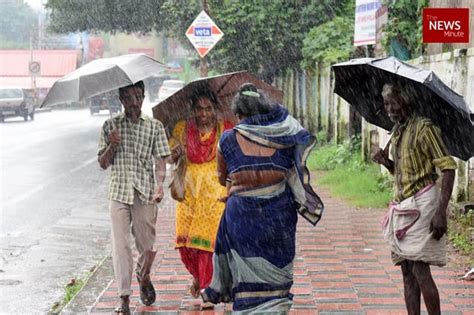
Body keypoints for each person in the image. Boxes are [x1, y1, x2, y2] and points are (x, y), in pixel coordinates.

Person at [201, 83, 323, 312]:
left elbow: (222, 177)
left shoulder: (227, 139)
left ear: (238, 114)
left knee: (246, 285)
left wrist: (241, 185)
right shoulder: (284, 138)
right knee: (277, 284)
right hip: (278, 220)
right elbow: (291, 171)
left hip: (242, 220)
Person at [372, 83, 456, 315]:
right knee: (407, 273)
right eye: (386, 103)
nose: (388, 109)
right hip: (403, 207)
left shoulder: (424, 128)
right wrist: (386, 162)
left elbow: (448, 169)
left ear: (406, 101)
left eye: (392, 103)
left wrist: (441, 212)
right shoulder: (398, 131)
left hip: (423, 204)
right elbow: (401, 172)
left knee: (419, 270)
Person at [97, 81, 171, 315]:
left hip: (144, 192)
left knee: (146, 244)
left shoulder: (154, 126)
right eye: (128, 97)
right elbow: (102, 163)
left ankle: (144, 275)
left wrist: (160, 186)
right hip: (119, 193)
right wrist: (112, 145)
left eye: (138, 96)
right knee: (121, 247)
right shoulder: (110, 126)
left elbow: (161, 160)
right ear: (121, 99)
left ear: (143, 97)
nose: (134, 102)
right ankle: (124, 298)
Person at [168, 92, 233, 307]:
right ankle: (197, 277)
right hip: (188, 192)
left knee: (205, 243)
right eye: (199, 108)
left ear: (215, 108)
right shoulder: (182, 128)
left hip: (214, 192)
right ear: (193, 109)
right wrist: (176, 153)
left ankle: (207, 289)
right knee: (184, 242)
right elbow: (168, 156)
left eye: (208, 108)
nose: (204, 113)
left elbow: (236, 153)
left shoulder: (226, 127)